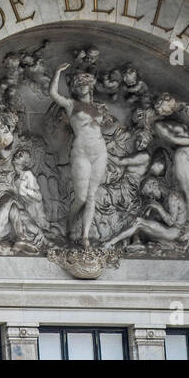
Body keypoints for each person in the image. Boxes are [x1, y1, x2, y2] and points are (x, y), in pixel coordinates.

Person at [50, 64, 114, 247]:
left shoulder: (99, 107)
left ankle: (85, 236)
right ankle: (70, 223)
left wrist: (108, 120)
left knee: (92, 196)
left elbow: (110, 126)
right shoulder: (71, 104)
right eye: (78, 83)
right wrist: (57, 72)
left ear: (90, 85)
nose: (81, 85)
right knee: (81, 198)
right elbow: (54, 94)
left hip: (100, 151)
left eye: (85, 82)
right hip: (81, 152)